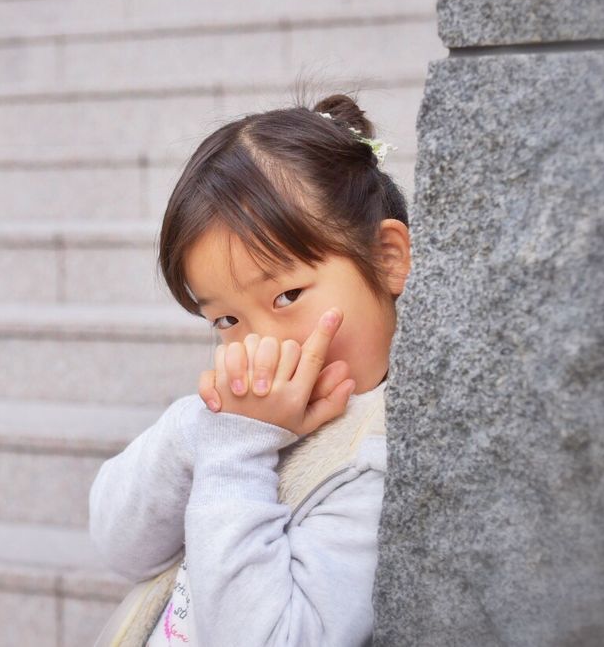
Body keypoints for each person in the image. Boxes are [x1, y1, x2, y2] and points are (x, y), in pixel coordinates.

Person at [89, 87, 413, 646]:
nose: (262, 342)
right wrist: (204, 430)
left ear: (386, 259)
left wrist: (236, 452)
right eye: (226, 321)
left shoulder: (373, 462)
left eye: (287, 297)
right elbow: (121, 547)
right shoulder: (231, 419)